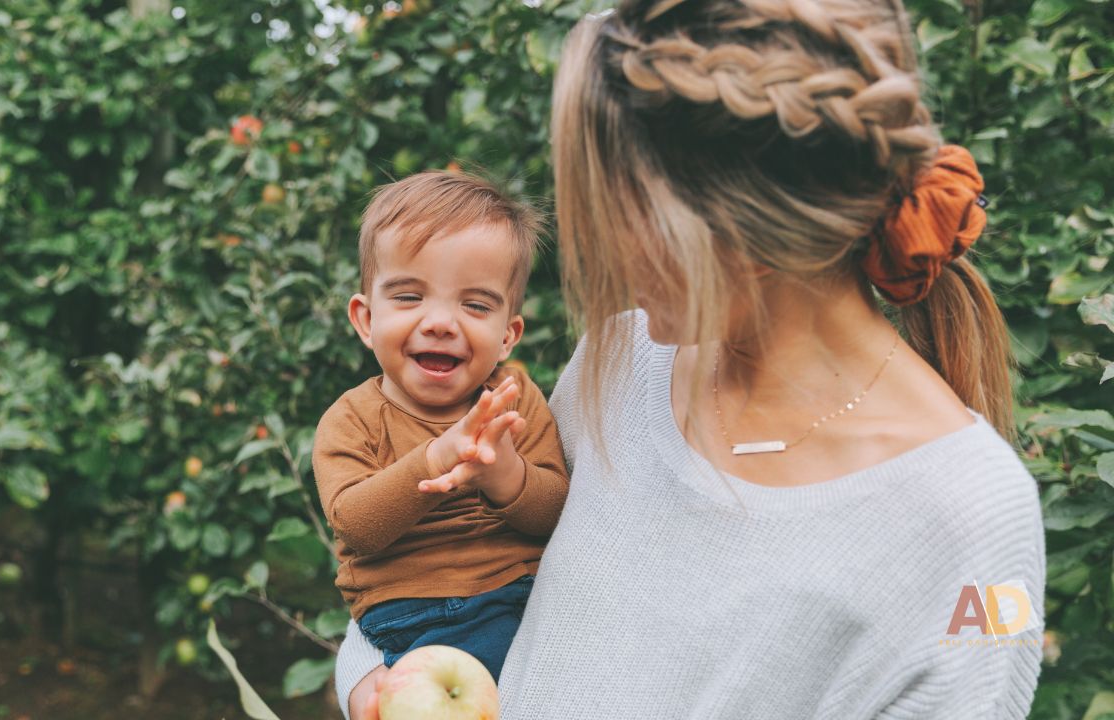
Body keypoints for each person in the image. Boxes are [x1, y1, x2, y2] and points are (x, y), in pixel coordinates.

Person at [337, 0, 1045, 718]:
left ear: (739, 220)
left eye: (620, 210)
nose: (604, 253)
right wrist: (375, 682)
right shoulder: (622, 362)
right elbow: (458, 572)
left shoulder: (977, 520)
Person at [312, 170, 570, 695]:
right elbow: (355, 527)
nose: (440, 322)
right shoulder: (352, 418)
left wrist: (507, 475)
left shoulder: (514, 400)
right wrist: (435, 459)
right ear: (365, 319)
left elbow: (556, 514)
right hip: (415, 615)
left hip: (519, 594)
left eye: (475, 305)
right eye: (409, 297)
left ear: (507, 335)